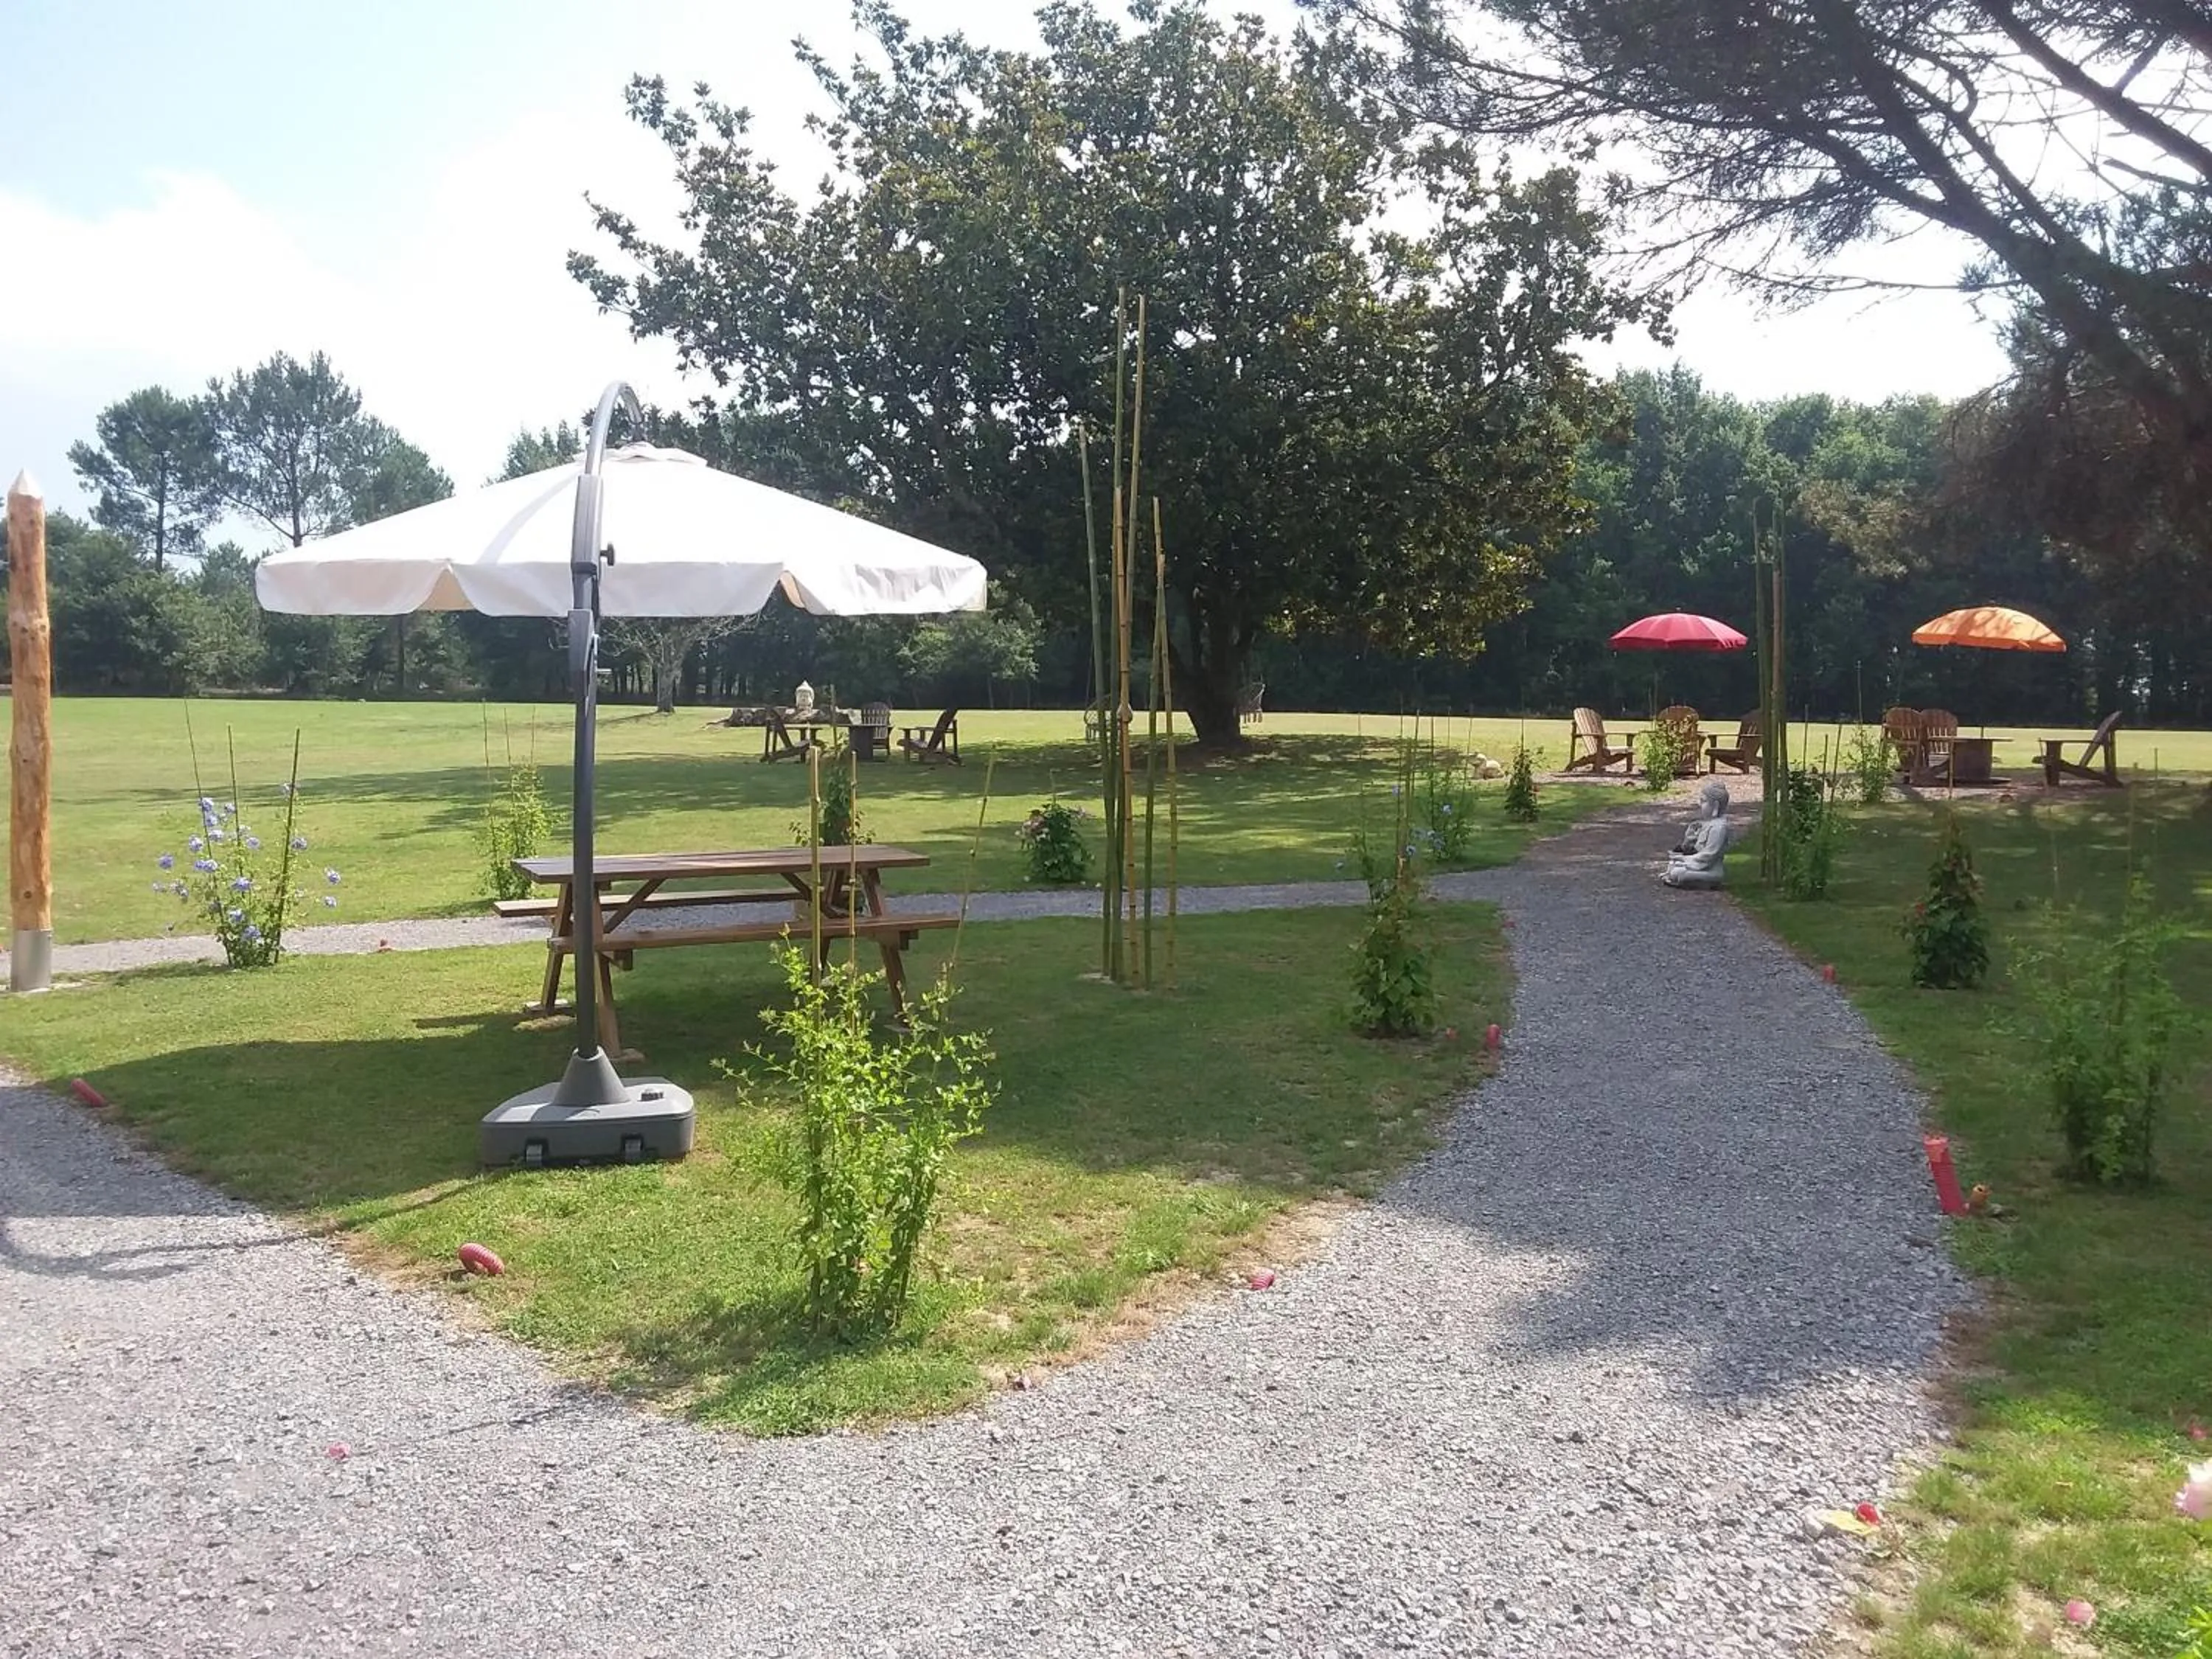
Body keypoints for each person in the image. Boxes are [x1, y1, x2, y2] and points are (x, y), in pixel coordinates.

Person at [1663, 780, 1733, 888]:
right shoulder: (1706, 824)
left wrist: (1684, 860)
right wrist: (1690, 836)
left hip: (1710, 869)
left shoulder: (1719, 828)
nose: (1700, 804)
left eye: (1704, 801)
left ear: (1715, 806)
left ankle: (1707, 883)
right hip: (1697, 864)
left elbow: (1708, 856)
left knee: (1679, 873)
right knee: (1674, 865)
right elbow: (1692, 848)